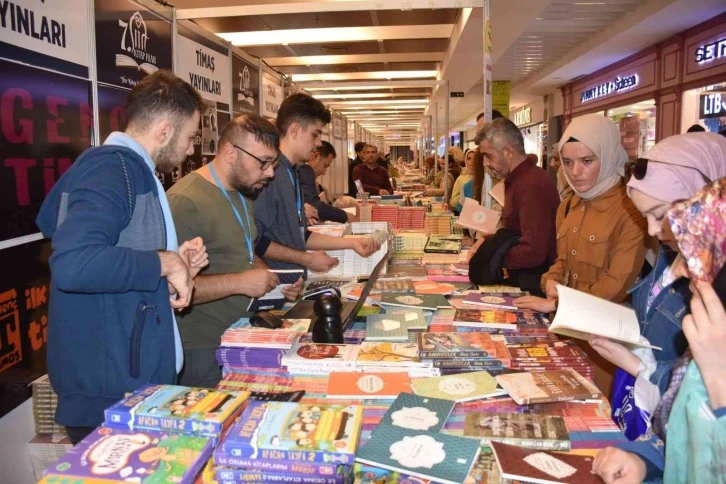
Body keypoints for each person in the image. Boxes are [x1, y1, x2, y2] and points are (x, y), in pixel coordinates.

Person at [36, 70, 207, 443]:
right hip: (110, 395)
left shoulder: (131, 171)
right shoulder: (112, 170)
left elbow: (112, 258)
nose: (191, 149)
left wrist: (174, 263)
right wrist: (163, 262)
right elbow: (74, 264)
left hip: (129, 386)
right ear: (164, 130)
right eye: (190, 137)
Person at [593, 177, 726, 484]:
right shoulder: (696, 361)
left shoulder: (710, 359)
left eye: (698, 285)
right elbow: (676, 441)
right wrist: (643, 462)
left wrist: (719, 384)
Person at [514, 114, 649, 394]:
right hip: (566, 333)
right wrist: (550, 282)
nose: (575, 171)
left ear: (609, 156)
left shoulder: (631, 210)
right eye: (567, 162)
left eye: (587, 161)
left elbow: (617, 283)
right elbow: (562, 260)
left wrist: (561, 304)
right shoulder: (569, 206)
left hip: (609, 344)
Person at [167, 114, 304, 387]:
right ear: (230, 153)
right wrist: (241, 283)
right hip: (203, 348)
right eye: (263, 163)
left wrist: (275, 280)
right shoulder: (184, 201)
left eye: (273, 163)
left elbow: (243, 251)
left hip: (242, 334)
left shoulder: (244, 192)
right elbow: (172, 289)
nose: (270, 173)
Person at [587, 133, 726, 398]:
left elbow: (708, 398)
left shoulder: (716, 280)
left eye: (661, 215)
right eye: (645, 217)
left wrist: (638, 366)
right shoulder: (671, 253)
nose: (653, 230)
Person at [254, 93, 381, 274]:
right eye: (315, 134)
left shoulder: (293, 172)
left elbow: (300, 235)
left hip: (290, 283)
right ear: (295, 130)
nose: (318, 143)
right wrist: (306, 259)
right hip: (274, 287)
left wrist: (352, 242)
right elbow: (256, 240)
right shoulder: (270, 175)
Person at [468, 118, 560, 291]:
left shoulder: (530, 185)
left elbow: (533, 251)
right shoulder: (518, 181)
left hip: (532, 282)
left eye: (488, 156)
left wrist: (492, 256)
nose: (485, 164)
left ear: (509, 152)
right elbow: (517, 232)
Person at [299, 140, 355, 223]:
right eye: (325, 166)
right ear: (315, 157)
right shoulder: (304, 170)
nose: (324, 172)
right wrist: (346, 216)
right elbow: (315, 205)